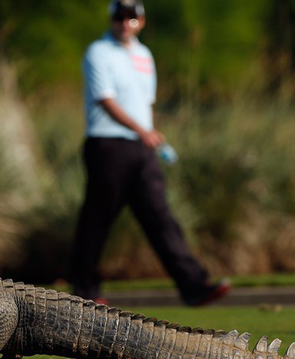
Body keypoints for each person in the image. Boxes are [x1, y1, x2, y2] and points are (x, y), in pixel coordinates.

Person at [68, 0, 230, 306]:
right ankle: (84, 290)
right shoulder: (98, 52)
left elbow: (144, 103)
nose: (124, 22)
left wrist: (151, 134)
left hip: (141, 149)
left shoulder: (144, 54)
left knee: (160, 217)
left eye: (131, 17)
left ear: (140, 21)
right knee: (98, 218)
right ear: (112, 19)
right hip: (107, 145)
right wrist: (143, 131)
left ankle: (193, 285)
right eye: (119, 16)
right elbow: (106, 100)